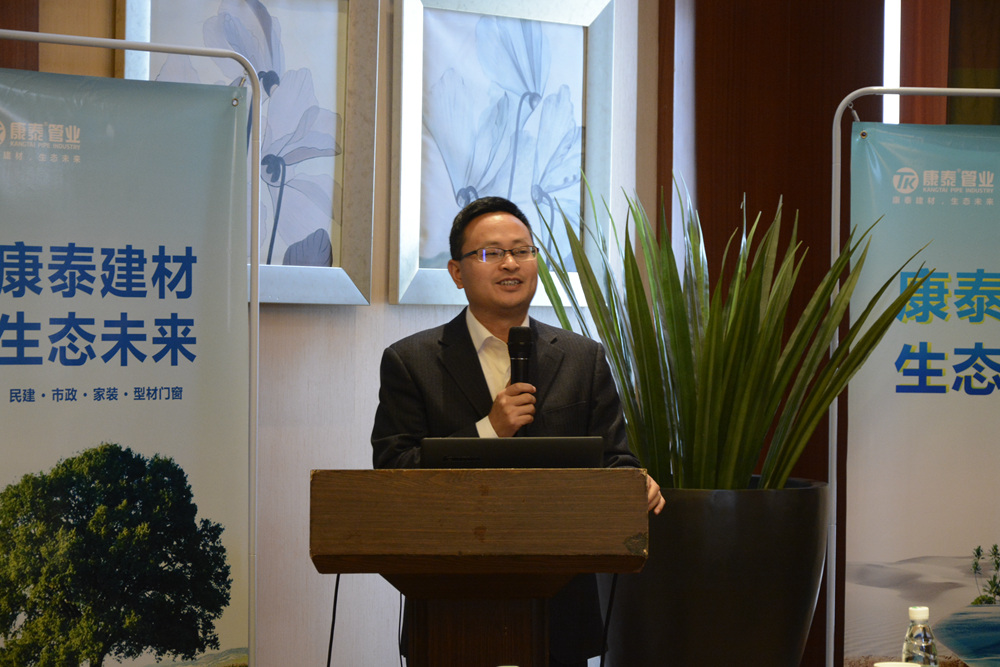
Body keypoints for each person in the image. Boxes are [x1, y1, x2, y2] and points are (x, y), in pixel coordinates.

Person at [371, 196, 664, 667]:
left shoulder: (583, 358)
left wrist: (634, 484)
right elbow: (392, 472)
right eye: (490, 253)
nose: (510, 263)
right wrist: (489, 429)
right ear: (457, 272)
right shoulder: (411, 362)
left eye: (522, 251)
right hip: (451, 607)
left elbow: (615, 460)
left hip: (562, 609)